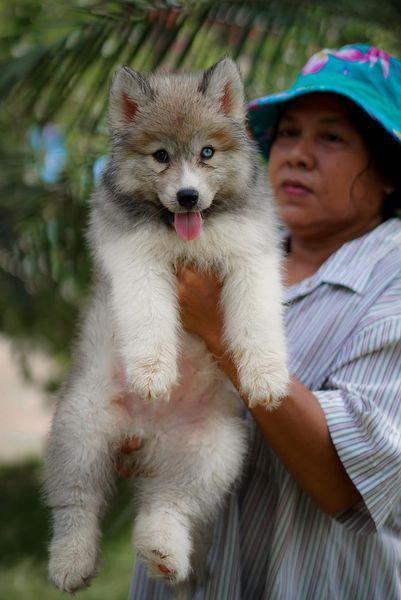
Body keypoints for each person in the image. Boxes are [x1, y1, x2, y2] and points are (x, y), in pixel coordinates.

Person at [128, 43, 401, 599]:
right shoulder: (218, 254)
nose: (297, 154)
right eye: (288, 133)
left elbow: (346, 484)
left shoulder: (390, 281)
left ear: (390, 169)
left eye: (332, 137)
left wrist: (221, 332)